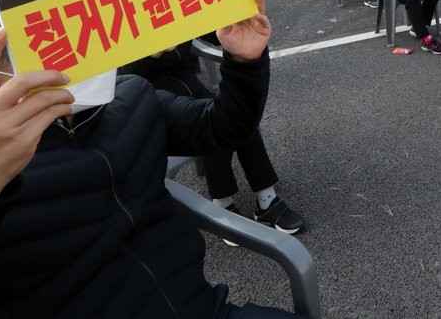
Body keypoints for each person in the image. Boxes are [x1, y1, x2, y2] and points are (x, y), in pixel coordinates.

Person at [0, 0, 308, 317]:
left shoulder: (127, 99)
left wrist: (244, 63)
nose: (63, 58)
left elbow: (223, 127)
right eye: (34, 50)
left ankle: (264, 198)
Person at [120, 40, 304, 234]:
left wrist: (234, 19)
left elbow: (213, 31)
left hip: (193, 89)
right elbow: (122, 80)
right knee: (211, 119)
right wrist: (148, 56)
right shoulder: (115, 20)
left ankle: (266, 197)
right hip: (156, 104)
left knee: (237, 112)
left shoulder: (173, 10)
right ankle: (223, 203)